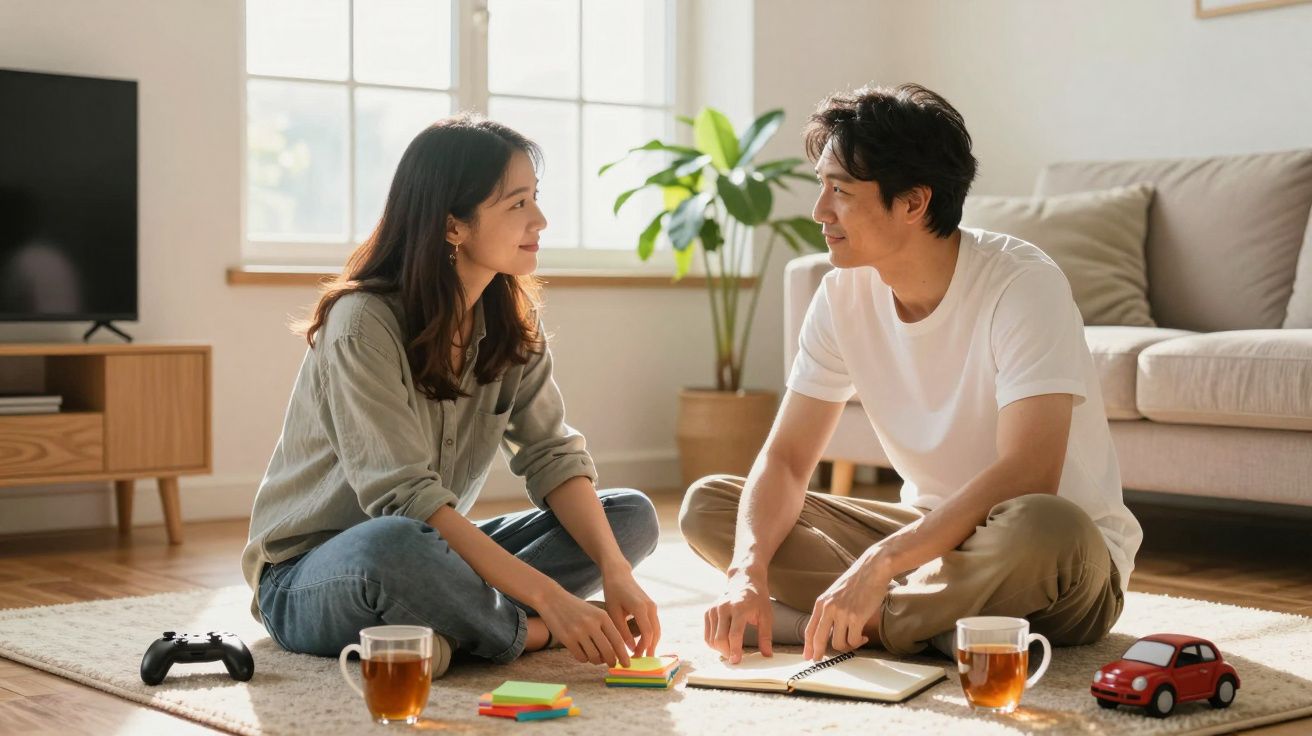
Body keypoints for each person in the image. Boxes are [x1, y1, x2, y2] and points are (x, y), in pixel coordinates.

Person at [680, 83, 1143, 664]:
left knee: (1046, 525)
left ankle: (843, 624)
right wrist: (746, 571)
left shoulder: (1023, 283)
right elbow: (788, 459)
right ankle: (929, 626)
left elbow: (1029, 474)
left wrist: (881, 563)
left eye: (840, 191)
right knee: (713, 505)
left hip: (1058, 563)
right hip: (926, 541)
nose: (820, 211)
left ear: (914, 202)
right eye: (822, 186)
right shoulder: (840, 294)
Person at [241, 114, 662, 677]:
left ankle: (450, 628)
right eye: (517, 204)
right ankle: (529, 633)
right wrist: (552, 603)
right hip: (314, 577)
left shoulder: (512, 322)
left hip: (431, 552)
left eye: (535, 198)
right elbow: (405, 501)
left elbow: (551, 456)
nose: (540, 219)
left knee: (630, 517)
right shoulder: (361, 323)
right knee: (394, 545)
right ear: (453, 226)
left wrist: (615, 570)